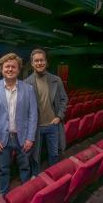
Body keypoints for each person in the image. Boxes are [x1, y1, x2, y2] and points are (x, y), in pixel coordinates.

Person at [0, 53, 37, 195]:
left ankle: (27, 192)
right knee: (3, 169)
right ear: (1, 69)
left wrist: (30, 138)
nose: (10, 69)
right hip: (1, 138)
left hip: (23, 136)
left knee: (25, 166)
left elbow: (33, 115)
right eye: (7, 66)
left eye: (13, 67)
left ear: (19, 70)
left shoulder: (28, 89)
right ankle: (4, 194)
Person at [25, 48, 68, 176]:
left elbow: (64, 99)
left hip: (52, 125)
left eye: (42, 60)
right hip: (35, 127)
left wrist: (59, 116)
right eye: (36, 61)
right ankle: (36, 176)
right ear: (32, 63)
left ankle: (53, 175)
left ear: (46, 62)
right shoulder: (26, 83)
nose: (39, 63)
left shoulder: (56, 80)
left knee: (54, 153)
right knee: (35, 155)